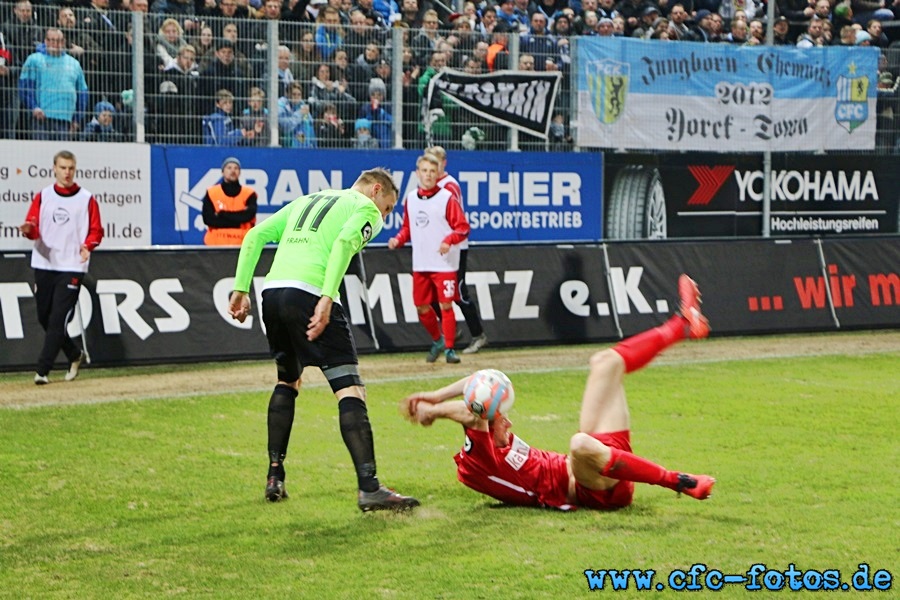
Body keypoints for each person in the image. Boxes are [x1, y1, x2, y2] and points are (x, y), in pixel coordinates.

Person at [400, 274, 716, 511]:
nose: (509, 424)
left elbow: (479, 387)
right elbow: (473, 410)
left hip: (599, 462)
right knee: (579, 443)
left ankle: (683, 322)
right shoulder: (483, 460)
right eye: (501, 419)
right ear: (484, 421)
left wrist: (433, 396)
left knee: (605, 362)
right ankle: (679, 481)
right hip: (595, 489)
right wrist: (433, 412)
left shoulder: (488, 433)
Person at [227, 167, 420, 512]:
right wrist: (327, 297)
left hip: (272, 292)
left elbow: (254, 235)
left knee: (288, 380)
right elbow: (346, 242)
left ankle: (275, 476)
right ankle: (369, 488)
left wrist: (241, 288)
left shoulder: (307, 199)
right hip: (310, 291)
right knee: (350, 389)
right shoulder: (366, 209)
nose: (384, 218)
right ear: (376, 190)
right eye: (388, 208)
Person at [18, 150, 103, 385]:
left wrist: (88, 245)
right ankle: (75, 353)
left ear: (75, 170)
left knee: (57, 319)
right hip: (45, 263)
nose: (67, 172)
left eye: (71, 168)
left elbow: (96, 230)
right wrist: (28, 230)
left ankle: (42, 370)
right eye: (63, 168)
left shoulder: (86, 198)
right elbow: (33, 226)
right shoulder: (43, 196)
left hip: (72, 265)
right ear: (54, 168)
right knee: (44, 316)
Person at [388, 154, 470, 364]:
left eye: (432, 171)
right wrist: (398, 239)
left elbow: (462, 228)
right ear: (417, 173)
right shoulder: (411, 199)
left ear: (438, 174)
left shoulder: (446, 198)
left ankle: (450, 349)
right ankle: (438, 340)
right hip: (421, 262)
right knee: (421, 306)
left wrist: (449, 240)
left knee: (445, 304)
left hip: (443, 263)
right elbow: (407, 227)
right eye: (424, 171)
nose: (428, 175)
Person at [425, 146, 488, 355]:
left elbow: (453, 218)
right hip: (439, 246)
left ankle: (478, 335)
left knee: (458, 293)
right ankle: (451, 330)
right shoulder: (432, 186)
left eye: (436, 162)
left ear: (444, 163)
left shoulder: (448, 186)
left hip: (454, 246)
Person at [18, 28, 89, 141]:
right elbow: (25, 88)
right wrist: (34, 107)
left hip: (66, 120)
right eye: (52, 40)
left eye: (59, 40)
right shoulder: (34, 60)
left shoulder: (74, 64)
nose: (55, 44)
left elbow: (83, 93)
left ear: (64, 41)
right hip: (41, 118)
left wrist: (77, 119)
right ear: (45, 41)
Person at [202, 157, 257, 246]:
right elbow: (208, 219)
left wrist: (222, 214)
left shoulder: (249, 194)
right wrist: (239, 221)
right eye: (229, 168)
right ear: (222, 171)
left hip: (242, 244)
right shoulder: (212, 193)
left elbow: (248, 216)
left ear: (240, 172)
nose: (233, 171)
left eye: (236, 168)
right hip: (215, 244)